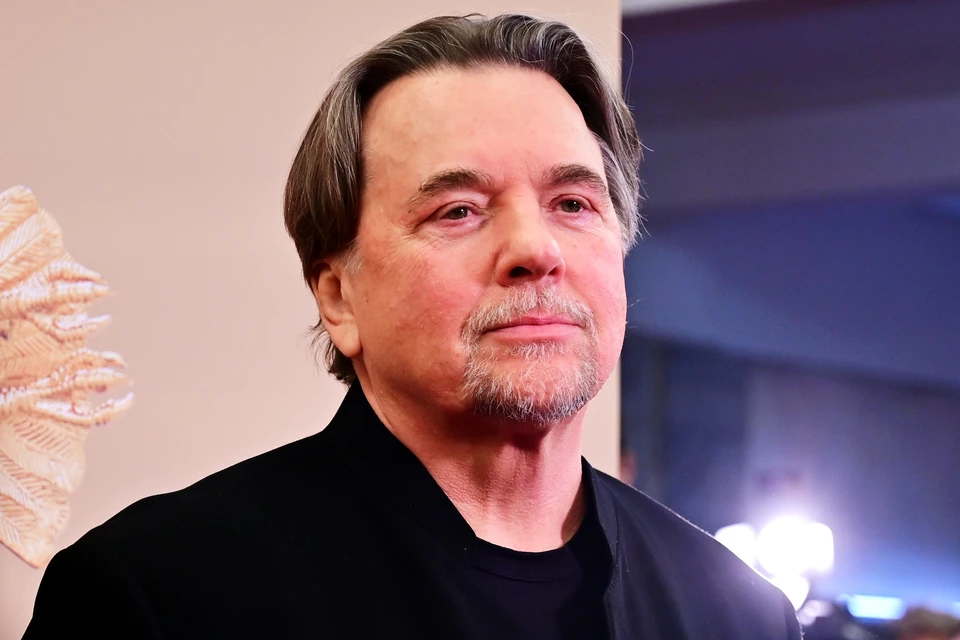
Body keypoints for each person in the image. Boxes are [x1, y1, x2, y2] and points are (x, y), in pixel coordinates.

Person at [24, 14, 801, 639]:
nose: (535, 250)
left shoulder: (739, 617)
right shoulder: (161, 595)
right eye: (458, 211)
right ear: (338, 297)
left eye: (573, 204)